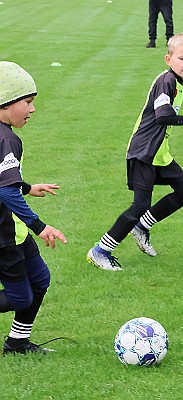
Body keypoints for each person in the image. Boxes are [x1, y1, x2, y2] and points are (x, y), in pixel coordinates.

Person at [87, 33, 183, 271]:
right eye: (181, 58)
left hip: (159, 153)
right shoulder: (166, 81)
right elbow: (163, 117)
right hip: (143, 153)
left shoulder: (182, 83)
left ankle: (141, 227)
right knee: (139, 205)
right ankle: (100, 251)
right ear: (168, 59)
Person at [0, 61, 67, 354]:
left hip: (12, 232)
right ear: (5, 101)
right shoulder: (7, 139)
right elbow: (5, 191)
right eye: (27, 102)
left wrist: (27, 187)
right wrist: (40, 226)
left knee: (40, 279)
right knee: (19, 298)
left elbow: (5, 183)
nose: (32, 109)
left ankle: (17, 344)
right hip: (3, 238)